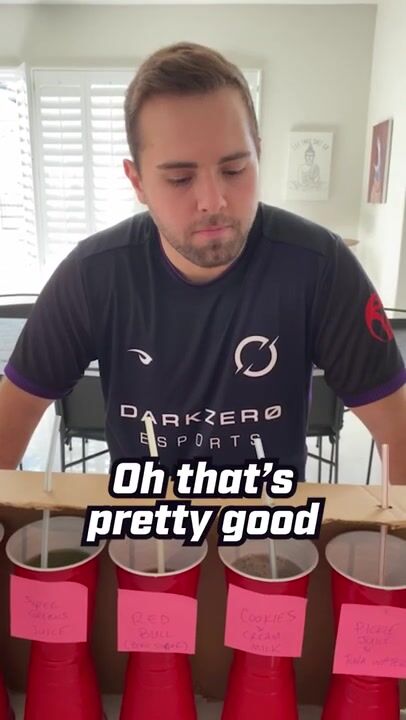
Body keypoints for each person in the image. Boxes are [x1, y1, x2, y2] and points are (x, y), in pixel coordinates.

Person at [0, 42, 405, 483]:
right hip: (144, 518)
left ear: (258, 154)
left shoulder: (320, 266)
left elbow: (398, 434)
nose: (213, 201)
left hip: (273, 520)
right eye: (180, 178)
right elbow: (9, 423)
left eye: (234, 170)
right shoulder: (92, 275)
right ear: (137, 181)